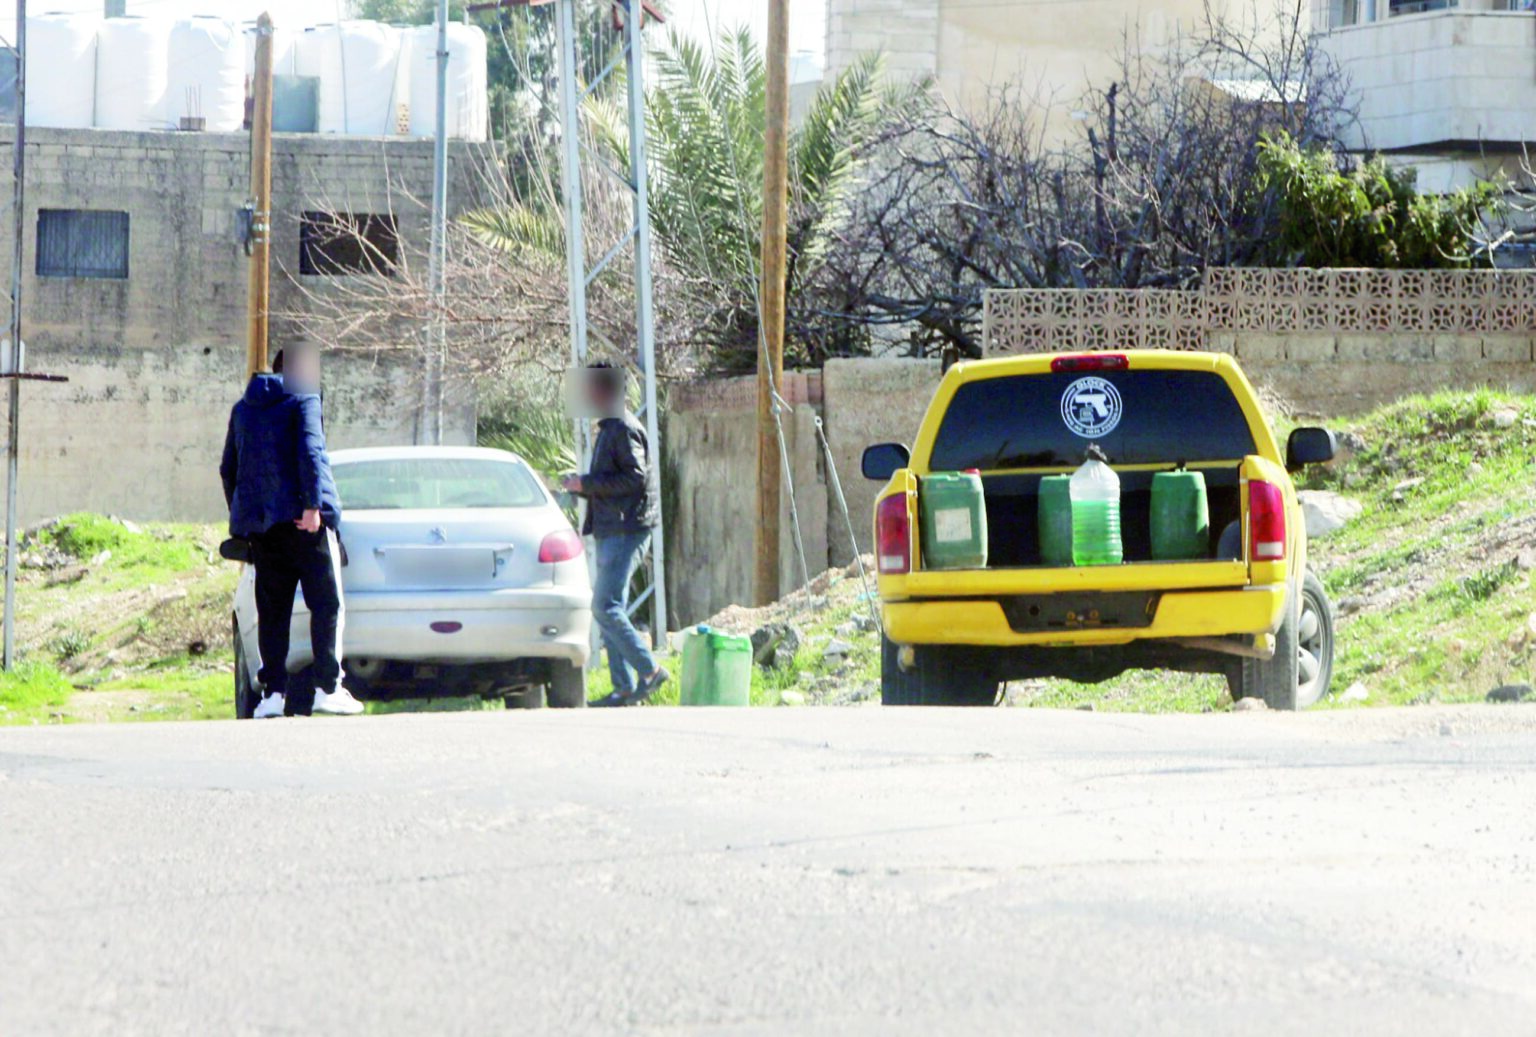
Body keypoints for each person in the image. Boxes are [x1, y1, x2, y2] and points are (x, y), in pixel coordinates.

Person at [221, 343, 363, 719]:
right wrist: (312, 507)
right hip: (305, 523)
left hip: (264, 530)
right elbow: (311, 452)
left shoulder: (244, 409)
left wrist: (248, 517)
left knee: (273, 612)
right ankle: (327, 688)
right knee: (326, 604)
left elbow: (228, 469)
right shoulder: (304, 400)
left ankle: (272, 696)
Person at [561, 364, 669, 708]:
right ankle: (623, 689)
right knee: (610, 608)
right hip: (614, 528)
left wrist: (586, 483)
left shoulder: (622, 427)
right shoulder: (611, 427)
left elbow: (634, 478)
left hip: (627, 530)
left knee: (604, 606)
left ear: (604, 391)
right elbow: (618, 478)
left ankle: (650, 670)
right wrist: (582, 486)